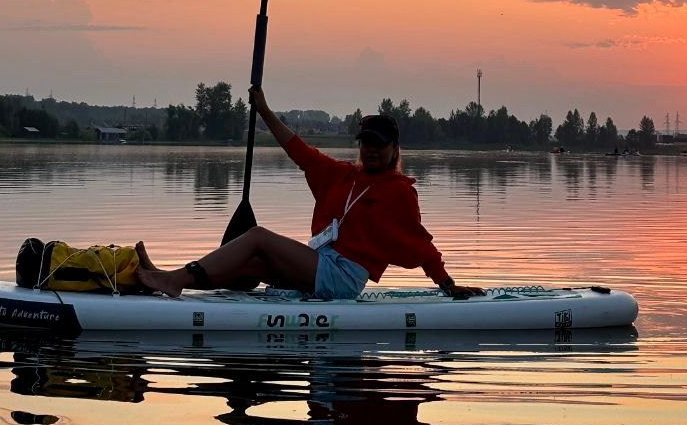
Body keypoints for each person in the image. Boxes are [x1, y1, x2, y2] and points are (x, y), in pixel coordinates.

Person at [135, 87, 484, 301]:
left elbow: (420, 244)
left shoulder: (399, 193)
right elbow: (298, 151)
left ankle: (174, 281)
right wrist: (264, 112)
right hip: (320, 265)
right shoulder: (344, 175)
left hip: (344, 278)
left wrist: (448, 285)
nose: (372, 151)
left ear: (394, 149)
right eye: (366, 144)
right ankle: (177, 283)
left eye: (380, 145)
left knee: (258, 237)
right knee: (254, 264)